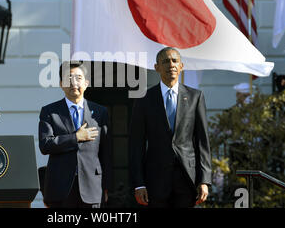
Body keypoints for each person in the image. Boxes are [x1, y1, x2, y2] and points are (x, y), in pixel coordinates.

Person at [129, 47, 212, 208]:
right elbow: (136, 144)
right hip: (155, 180)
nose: (171, 65)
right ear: (157, 67)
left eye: (175, 61)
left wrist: (204, 180)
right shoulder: (144, 99)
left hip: (188, 180)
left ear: (181, 66)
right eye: (165, 61)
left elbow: (203, 142)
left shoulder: (196, 97)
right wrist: (139, 184)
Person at [38, 61, 112, 208]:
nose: (73, 83)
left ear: (86, 82)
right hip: (60, 188)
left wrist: (107, 186)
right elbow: (45, 145)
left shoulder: (99, 112)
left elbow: (106, 153)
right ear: (61, 83)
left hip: (92, 187)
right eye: (68, 78)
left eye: (78, 78)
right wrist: (76, 137)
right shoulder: (50, 112)